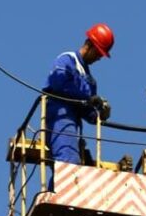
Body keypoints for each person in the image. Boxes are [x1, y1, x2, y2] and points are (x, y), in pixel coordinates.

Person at [44, 23, 114, 166]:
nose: (99, 58)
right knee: (68, 162)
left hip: (73, 125)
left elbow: (88, 112)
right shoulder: (67, 59)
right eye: (98, 53)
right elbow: (59, 83)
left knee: (69, 166)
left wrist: (101, 114)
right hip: (59, 116)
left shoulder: (90, 80)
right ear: (89, 44)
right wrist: (87, 98)